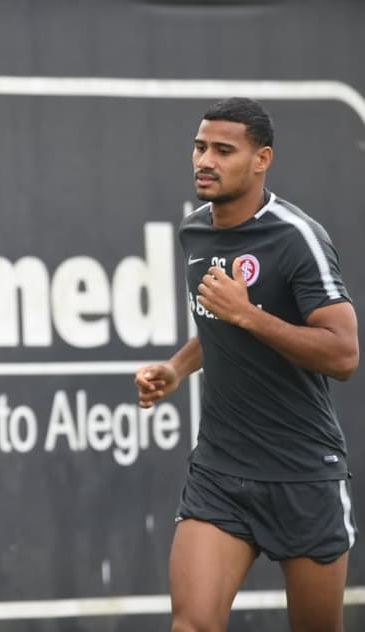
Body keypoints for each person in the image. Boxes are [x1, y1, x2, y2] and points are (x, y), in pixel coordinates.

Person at [135, 97, 359, 631]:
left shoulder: (296, 237)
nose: (204, 161)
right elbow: (218, 326)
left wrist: (250, 315)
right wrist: (177, 368)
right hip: (220, 471)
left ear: (262, 160)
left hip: (302, 475)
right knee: (191, 625)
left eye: (223, 150)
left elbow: (344, 353)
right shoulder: (195, 231)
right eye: (199, 147)